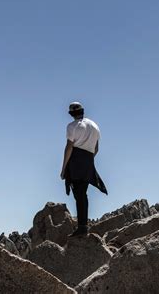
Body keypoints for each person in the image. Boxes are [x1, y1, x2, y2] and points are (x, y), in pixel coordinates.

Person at [60, 101, 107, 237]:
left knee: (78, 195)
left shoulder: (72, 126)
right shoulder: (95, 126)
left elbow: (69, 147)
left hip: (75, 161)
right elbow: (96, 148)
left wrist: (64, 168)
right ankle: (83, 225)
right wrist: (88, 160)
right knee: (83, 194)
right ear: (83, 111)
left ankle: (82, 228)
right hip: (88, 160)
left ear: (71, 114)